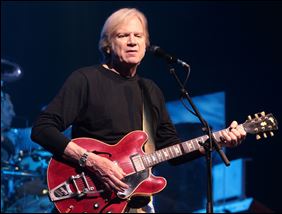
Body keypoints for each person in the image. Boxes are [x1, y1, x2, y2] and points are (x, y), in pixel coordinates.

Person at [31, 7, 246, 213]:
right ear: (108, 44)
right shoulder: (86, 79)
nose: (132, 41)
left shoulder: (150, 91)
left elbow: (172, 150)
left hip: (137, 204)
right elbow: (42, 129)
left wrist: (217, 141)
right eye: (123, 35)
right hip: (89, 196)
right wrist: (92, 161)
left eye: (138, 35)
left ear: (146, 44)